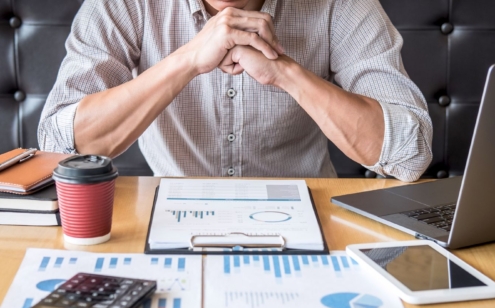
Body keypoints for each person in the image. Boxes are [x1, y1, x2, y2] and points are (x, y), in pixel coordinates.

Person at [38, 0, 433, 182]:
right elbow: (60, 146)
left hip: (309, 217)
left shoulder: (341, 5)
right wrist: (189, 59)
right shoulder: (122, 4)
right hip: (172, 218)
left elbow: (408, 155)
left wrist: (285, 72)